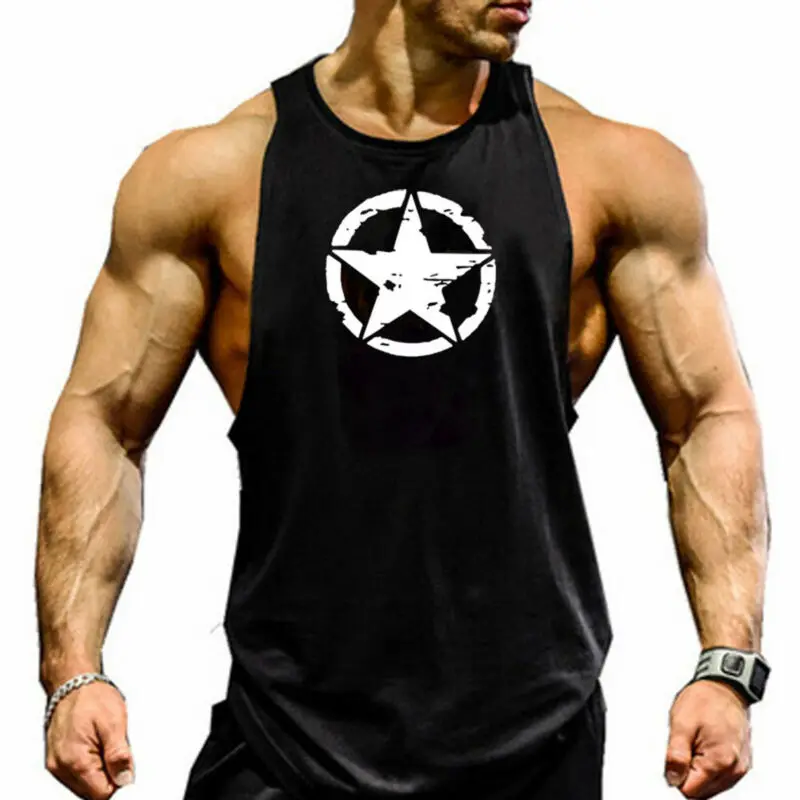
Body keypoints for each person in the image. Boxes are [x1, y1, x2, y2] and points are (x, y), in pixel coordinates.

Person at [35, 1, 771, 799]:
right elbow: (105, 421)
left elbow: (706, 413)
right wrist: (74, 671)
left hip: (534, 740)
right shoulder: (212, 175)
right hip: (284, 739)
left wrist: (726, 666)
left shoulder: (614, 170)